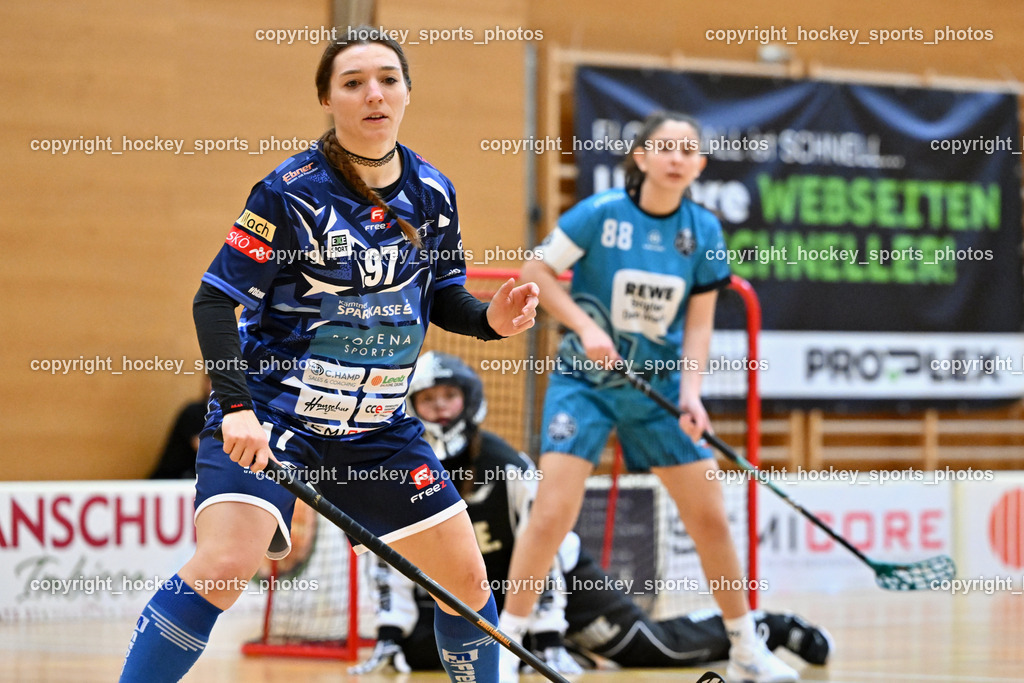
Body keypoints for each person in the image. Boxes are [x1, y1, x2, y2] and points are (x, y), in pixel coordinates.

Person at [118, 27, 538, 683]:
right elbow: (212, 301)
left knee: (464, 580)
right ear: (327, 99)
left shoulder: (434, 192)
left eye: (387, 79)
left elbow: (444, 296)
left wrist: (491, 319)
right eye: (353, 82)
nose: (373, 93)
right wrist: (234, 408)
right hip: (274, 417)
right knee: (226, 566)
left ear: (406, 93)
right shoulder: (289, 191)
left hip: (377, 429)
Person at [502, 111, 799, 683]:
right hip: (586, 384)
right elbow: (535, 270)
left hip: (657, 389)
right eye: (665, 147)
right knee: (552, 513)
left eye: (689, 149)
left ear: (700, 166)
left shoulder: (704, 230)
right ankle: (506, 643)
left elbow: (699, 324)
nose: (677, 157)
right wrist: (585, 329)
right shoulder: (600, 214)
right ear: (641, 158)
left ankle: (743, 649)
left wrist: (692, 393)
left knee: (710, 517)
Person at [350, 351, 832, 676]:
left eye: (447, 398)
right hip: (485, 599)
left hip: (563, 586)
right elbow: (389, 557)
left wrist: (549, 635)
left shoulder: (503, 463)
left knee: (651, 650)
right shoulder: (404, 468)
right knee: (423, 651)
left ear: (468, 400)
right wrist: (389, 635)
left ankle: (769, 626)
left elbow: (546, 549)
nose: (439, 412)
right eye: (427, 402)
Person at [149, 377, 212, 479]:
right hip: (172, 481)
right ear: (206, 383)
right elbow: (205, 449)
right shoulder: (194, 412)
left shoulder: (228, 416)